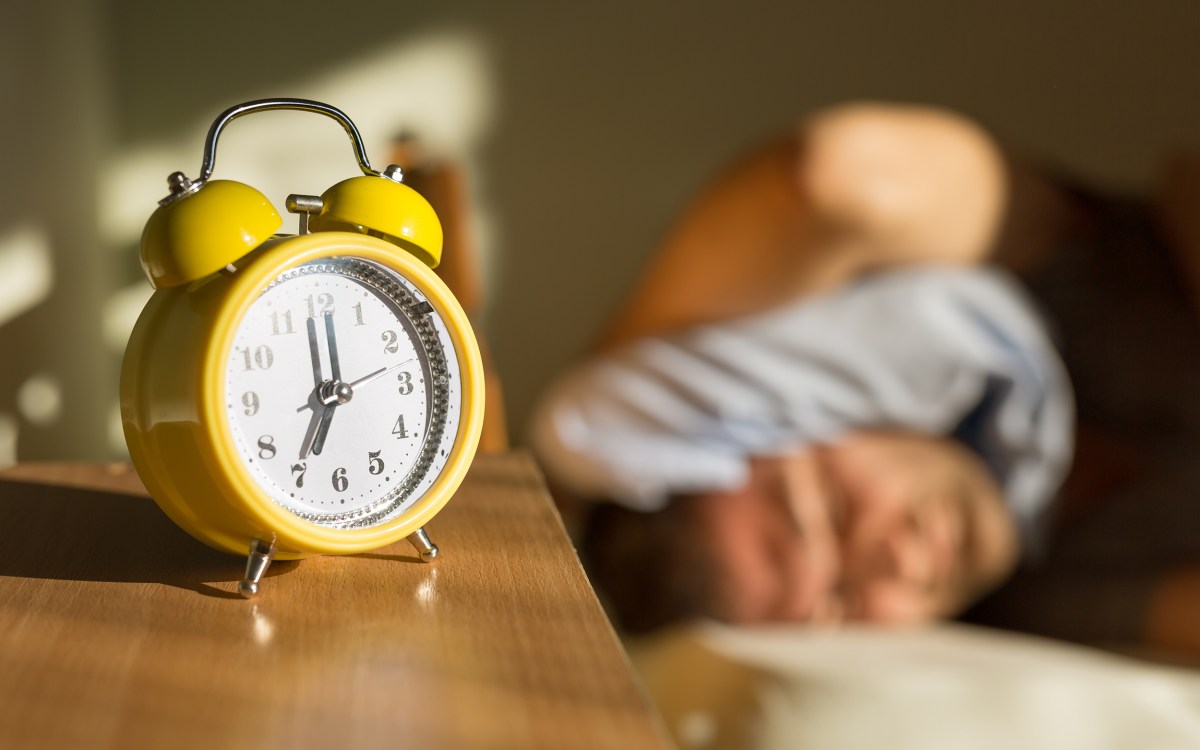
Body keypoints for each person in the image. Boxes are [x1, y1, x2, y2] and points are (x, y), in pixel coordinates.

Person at [529, 101, 1200, 656]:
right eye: (840, 605)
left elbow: (835, 178)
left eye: (829, 509)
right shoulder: (1049, 599)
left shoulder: (1050, 257)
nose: (895, 562)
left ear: (802, 407)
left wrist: (553, 480)